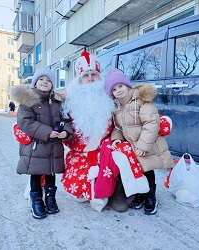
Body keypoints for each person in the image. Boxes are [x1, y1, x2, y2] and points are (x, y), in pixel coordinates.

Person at [61, 51, 130, 212]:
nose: (91, 78)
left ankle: (117, 191)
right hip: (80, 152)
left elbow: (122, 122)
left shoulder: (110, 98)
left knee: (119, 152)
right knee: (80, 195)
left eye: (94, 74)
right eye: (86, 75)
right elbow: (65, 128)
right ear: (79, 79)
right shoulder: (70, 102)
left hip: (105, 149)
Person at [105, 68, 174, 215]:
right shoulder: (118, 108)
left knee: (148, 170)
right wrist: (116, 139)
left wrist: (143, 145)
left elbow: (151, 123)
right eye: (114, 89)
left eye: (120, 86)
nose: (118, 91)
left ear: (127, 85)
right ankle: (142, 193)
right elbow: (118, 127)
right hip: (133, 146)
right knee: (138, 171)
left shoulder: (141, 100)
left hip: (148, 144)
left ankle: (151, 196)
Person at [11, 68, 72, 219]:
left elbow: (66, 120)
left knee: (51, 173)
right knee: (36, 174)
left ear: (53, 84)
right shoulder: (28, 100)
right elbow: (25, 122)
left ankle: (50, 199)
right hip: (36, 146)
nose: (45, 82)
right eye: (41, 79)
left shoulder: (58, 102)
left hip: (54, 145)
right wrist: (47, 132)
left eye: (49, 80)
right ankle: (36, 201)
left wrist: (67, 132)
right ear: (35, 83)